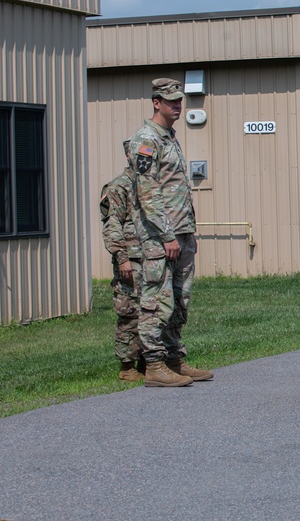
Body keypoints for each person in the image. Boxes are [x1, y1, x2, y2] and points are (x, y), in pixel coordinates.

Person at [128, 78, 209, 387]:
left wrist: (188, 233)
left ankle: (173, 358)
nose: (177, 104)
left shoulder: (169, 137)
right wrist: (167, 235)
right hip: (160, 235)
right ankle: (153, 364)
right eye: (170, 100)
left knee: (180, 298)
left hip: (181, 232)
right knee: (156, 298)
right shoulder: (146, 140)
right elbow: (148, 194)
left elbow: (177, 190)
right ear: (156, 103)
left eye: (179, 100)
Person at [100, 139, 144, 382]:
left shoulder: (150, 185)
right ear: (128, 156)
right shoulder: (118, 186)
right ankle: (127, 366)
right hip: (130, 259)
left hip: (151, 259)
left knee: (153, 311)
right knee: (129, 312)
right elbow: (112, 224)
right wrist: (122, 257)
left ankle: (149, 361)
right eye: (137, 154)